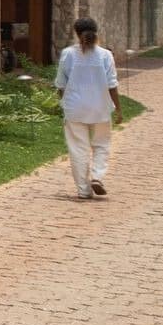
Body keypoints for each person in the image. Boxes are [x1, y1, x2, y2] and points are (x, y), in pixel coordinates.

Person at [54, 16, 120, 199]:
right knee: (101, 145)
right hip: (100, 108)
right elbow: (112, 84)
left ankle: (83, 189)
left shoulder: (68, 54)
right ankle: (97, 176)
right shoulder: (105, 55)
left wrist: (64, 103)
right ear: (96, 31)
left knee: (78, 149)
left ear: (76, 33)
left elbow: (61, 84)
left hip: (75, 108)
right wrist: (118, 108)